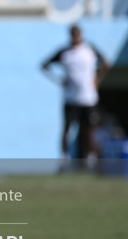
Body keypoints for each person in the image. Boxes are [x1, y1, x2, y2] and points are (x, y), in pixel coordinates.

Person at [42, 24, 110, 169]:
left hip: (88, 97)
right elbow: (44, 65)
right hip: (70, 98)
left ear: (81, 34)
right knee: (67, 128)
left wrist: (97, 79)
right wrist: (59, 80)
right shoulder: (64, 52)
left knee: (89, 128)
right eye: (73, 34)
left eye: (77, 33)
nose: (75, 37)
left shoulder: (89, 49)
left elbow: (105, 63)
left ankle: (90, 157)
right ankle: (64, 158)